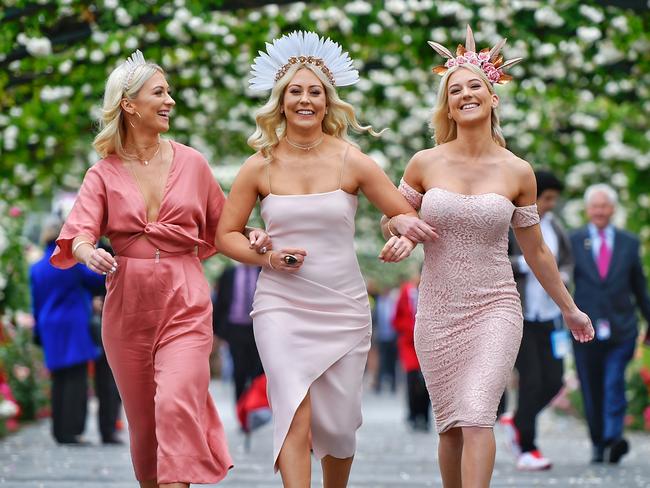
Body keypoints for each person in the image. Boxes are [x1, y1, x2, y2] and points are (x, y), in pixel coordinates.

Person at [216, 31, 436, 488]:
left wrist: (401, 235)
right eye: (295, 91)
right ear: (280, 100)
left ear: (327, 101)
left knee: (337, 426)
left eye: (314, 91)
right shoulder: (259, 166)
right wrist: (269, 258)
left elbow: (400, 213)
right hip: (281, 305)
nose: (305, 99)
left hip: (343, 306)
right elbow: (225, 236)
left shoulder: (352, 161)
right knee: (293, 410)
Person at [381, 26, 594, 488]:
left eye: (474, 85)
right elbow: (393, 219)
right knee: (452, 425)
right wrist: (399, 229)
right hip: (437, 310)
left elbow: (537, 250)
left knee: (479, 413)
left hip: (495, 306)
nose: (465, 94)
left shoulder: (518, 171)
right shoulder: (424, 162)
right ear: (448, 105)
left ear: (493, 96)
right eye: (454, 90)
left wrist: (570, 308)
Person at [50, 50, 270, 487]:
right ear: (129, 105)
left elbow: (223, 223)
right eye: (159, 92)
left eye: (169, 91)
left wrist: (254, 235)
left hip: (184, 299)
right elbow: (78, 232)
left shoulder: (193, 163)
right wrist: (88, 250)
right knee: (146, 426)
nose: (169, 100)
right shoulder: (103, 173)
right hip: (127, 308)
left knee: (174, 404)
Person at [570, 183, 650, 464]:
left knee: (614, 382)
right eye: (595, 206)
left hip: (622, 328)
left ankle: (613, 438)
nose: (600, 211)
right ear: (588, 210)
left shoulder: (629, 242)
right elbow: (562, 283)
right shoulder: (574, 240)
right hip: (585, 330)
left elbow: (639, 286)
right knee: (591, 388)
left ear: (613, 209)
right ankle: (597, 442)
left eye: (604, 206)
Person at [501, 170, 573, 470]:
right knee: (531, 381)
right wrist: (530, 263)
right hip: (521, 315)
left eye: (554, 199)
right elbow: (498, 260)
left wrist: (562, 276)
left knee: (554, 380)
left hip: (550, 316)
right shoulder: (509, 224)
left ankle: (517, 421)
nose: (550, 205)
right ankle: (527, 447)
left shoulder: (556, 226)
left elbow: (566, 262)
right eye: (546, 198)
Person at [30, 215, 104, 445]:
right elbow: (96, 281)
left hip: (48, 324)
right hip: (72, 323)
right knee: (76, 378)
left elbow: (36, 301)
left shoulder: (37, 267)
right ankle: (72, 431)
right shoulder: (68, 260)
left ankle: (59, 430)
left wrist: (38, 331)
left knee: (59, 378)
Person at [213, 263, 264, 403]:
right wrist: (216, 333)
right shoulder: (229, 273)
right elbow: (220, 303)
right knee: (239, 371)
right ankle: (240, 410)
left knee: (258, 372)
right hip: (235, 330)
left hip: (259, 328)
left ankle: (254, 408)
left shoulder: (263, 271)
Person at [392, 275, 431, 431]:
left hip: (428, 341)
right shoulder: (407, 291)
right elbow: (396, 318)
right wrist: (407, 329)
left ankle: (425, 415)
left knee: (428, 381)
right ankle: (413, 414)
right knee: (412, 378)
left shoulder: (433, 288)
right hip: (409, 344)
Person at [372, 285, 398, 394]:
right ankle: (378, 384)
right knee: (381, 361)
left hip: (392, 336)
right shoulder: (378, 302)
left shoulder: (393, 302)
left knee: (392, 362)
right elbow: (374, 319)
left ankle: (393, 384)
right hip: (381, 336)